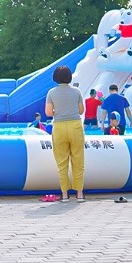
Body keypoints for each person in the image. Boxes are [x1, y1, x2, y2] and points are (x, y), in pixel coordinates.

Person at [46, 65, 86, 202]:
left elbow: (48, 113)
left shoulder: (51, 92)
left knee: (62, 163)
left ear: (55, 78)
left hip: (59, 127)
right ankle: (79, 194)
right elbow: (81, 111)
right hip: (75, 126)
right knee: (78, 161)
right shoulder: (77, 91)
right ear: (69, 77)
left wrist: (59, 112)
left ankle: (64, 195)